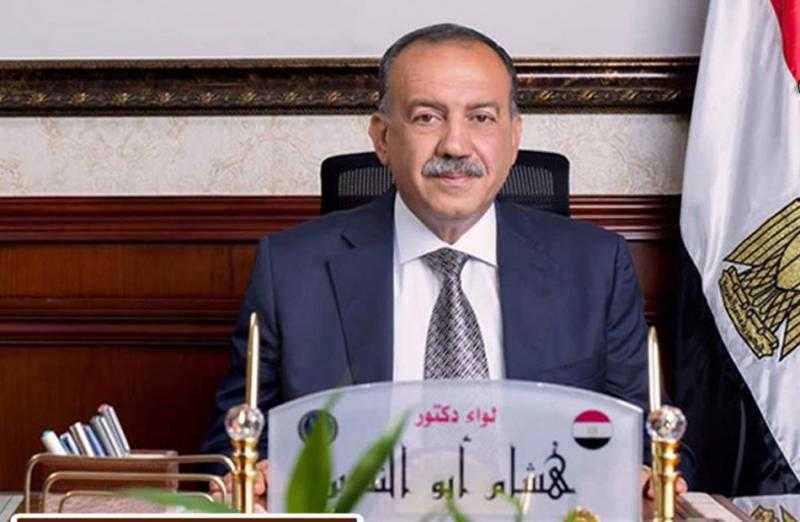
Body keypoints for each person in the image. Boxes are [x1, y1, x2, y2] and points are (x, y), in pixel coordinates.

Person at [203, 23, 691, 504]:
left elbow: (654, 442)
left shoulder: (595, 267)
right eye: (426, 117)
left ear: (513, 137)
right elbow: (232, 443)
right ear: (383, 138)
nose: (455, 145)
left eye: (481, 117)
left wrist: (646, 476)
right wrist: (253, 474)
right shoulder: (291, 270)